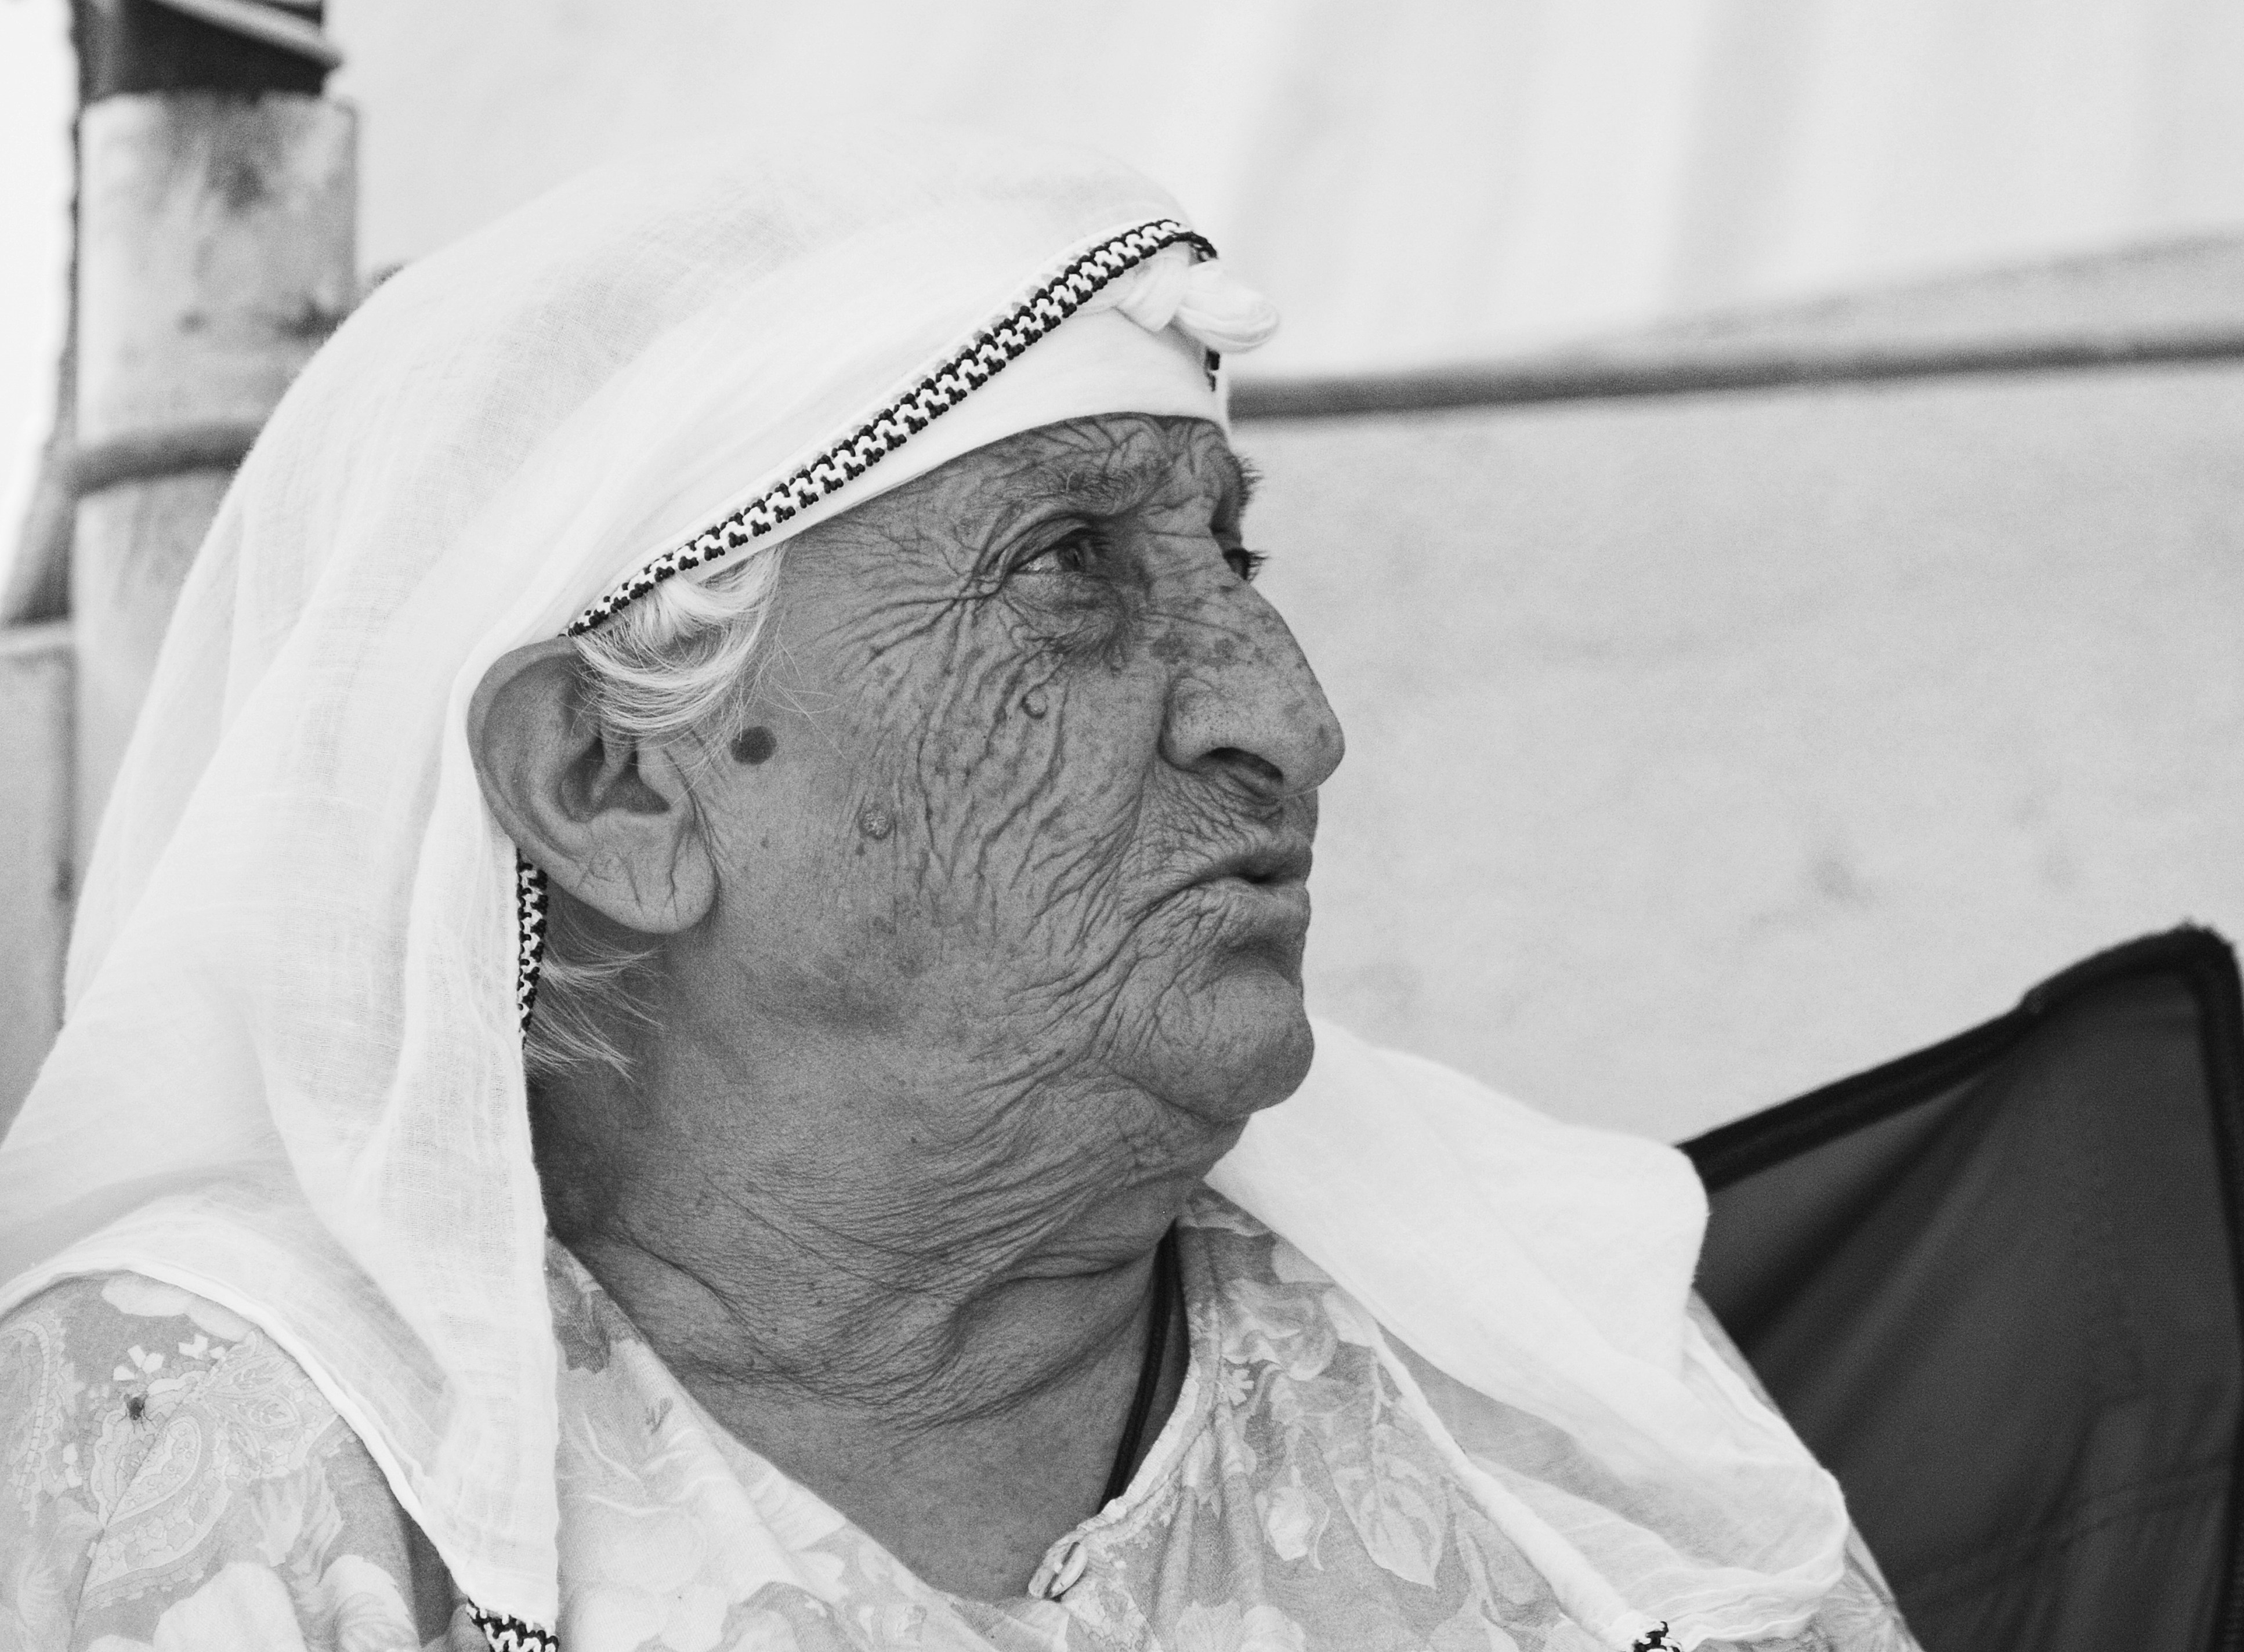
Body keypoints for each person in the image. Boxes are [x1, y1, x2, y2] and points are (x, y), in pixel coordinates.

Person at [0, 126, 1917, 1652]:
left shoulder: (1544, 1385)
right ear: (616, 785)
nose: (1288, 718)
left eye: (1235, 559)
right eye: (1071, 568)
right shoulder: (220, 1456)